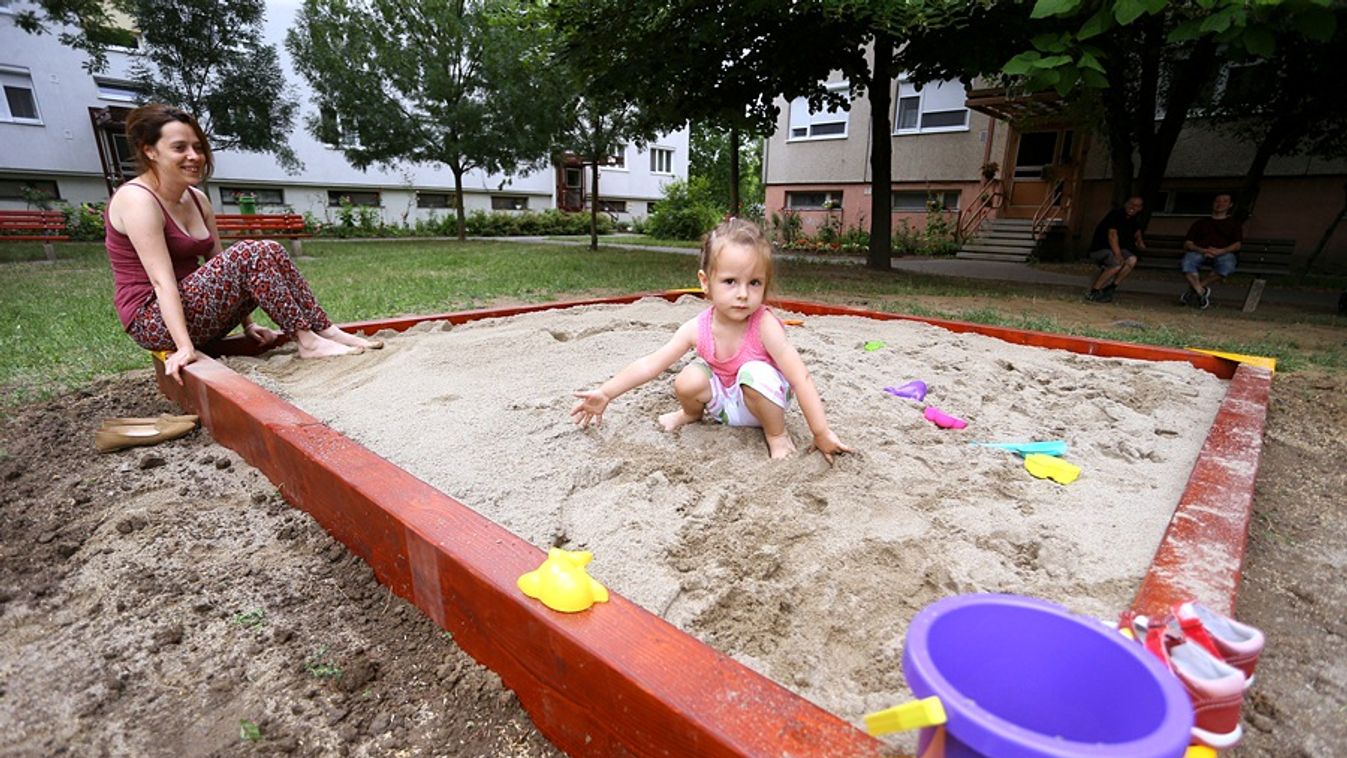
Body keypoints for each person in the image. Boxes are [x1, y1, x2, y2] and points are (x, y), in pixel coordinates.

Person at [105, 104, 379, 384]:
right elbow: (161, 282)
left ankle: (324, 330)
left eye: (197, 147)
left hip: (194, 313)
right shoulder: (137, 200)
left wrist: (248, 324)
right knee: (251, 251)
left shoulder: (198, 199)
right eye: (179, 148)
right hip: (153, 320)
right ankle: (307, 341)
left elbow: (219, 268)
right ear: (149, 151)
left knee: (269, 249)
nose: (193, 156)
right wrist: (185, 347)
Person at [570, 218, 851, 463]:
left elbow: (800, 377)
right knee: (688, 377)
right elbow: (651, 364)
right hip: (722, 406)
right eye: (730, 281)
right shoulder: (697, 327)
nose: (743, 294)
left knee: (753, 372)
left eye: (754, 283)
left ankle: (776, 435)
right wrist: (607, 393)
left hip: (764, 403)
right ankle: (690, 414)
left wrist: (820, 431)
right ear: (706, 282)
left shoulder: (764, 325)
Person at [1180, 193, 1243, 310]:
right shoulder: (1200, 223)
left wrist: (1221, 251)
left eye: (1224, 201)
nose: (1220, 204)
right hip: (1200, 251)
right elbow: (1188, 243)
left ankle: (1195, 290)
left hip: (1223, 253)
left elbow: (1237, 245)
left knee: (1227, 266)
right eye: (1217, 201)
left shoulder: (1234, 223)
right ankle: (1200, 292)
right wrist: (1202, 250)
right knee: (1187, 262)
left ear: (1230, 205)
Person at [1085, 196, 1146, 302]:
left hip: (1118, 249)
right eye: (1131, 204)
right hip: (1101, 248)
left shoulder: (1133, 219)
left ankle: (1111, 287)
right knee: (1116, 264)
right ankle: (1094, 291)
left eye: (1137, 206)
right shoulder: (1116, 214)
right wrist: (1118, 255)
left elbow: (1137, 231)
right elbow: (1112, 235)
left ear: (1140, 208)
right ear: (1126, 204)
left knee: (1132, 260)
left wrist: (1140, 242)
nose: (1133, 207)